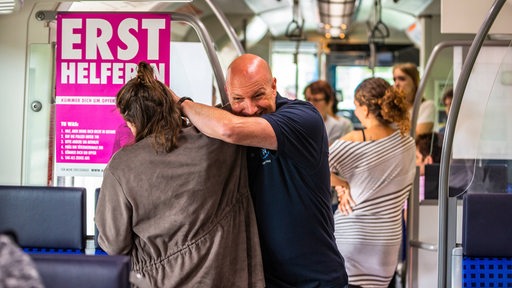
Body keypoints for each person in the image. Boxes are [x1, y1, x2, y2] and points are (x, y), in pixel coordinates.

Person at [171, 54, 348, 287]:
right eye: (238, 99)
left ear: (273, 86)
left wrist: (181, 103)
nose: (250, 108)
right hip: (262, 279)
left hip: (315, 279)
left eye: (258, 95)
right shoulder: (228, 118)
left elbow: (229, 129)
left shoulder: (303, 118)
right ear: (227, 92)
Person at [95, 62, 264, 288]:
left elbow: (114, 245)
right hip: (226, 277)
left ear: (132, 121)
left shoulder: (121, 167)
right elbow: (233, 118)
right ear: (172, 107)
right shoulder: (219, 143)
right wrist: (184, 105)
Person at [329, 77, 416, 288]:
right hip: (387, 242)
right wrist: (343, 184)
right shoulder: (407, 143)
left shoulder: (353, 140)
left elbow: (312, 169)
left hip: (352, 235)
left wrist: (342, 183)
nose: (356, 111)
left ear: (365, 109)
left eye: (356, 106)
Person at [304, 80, 353, 145]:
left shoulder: (341, 124)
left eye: (316, 100)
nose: (310, 104)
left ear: (329, 101)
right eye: (308, 99)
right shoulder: (303, 122)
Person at [393, 62, 436, 136]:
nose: (396, 84)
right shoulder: (393, 107)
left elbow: (418, 137)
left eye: (402, 79)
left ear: (414, 82)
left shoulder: (427, 106)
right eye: (394, 79)